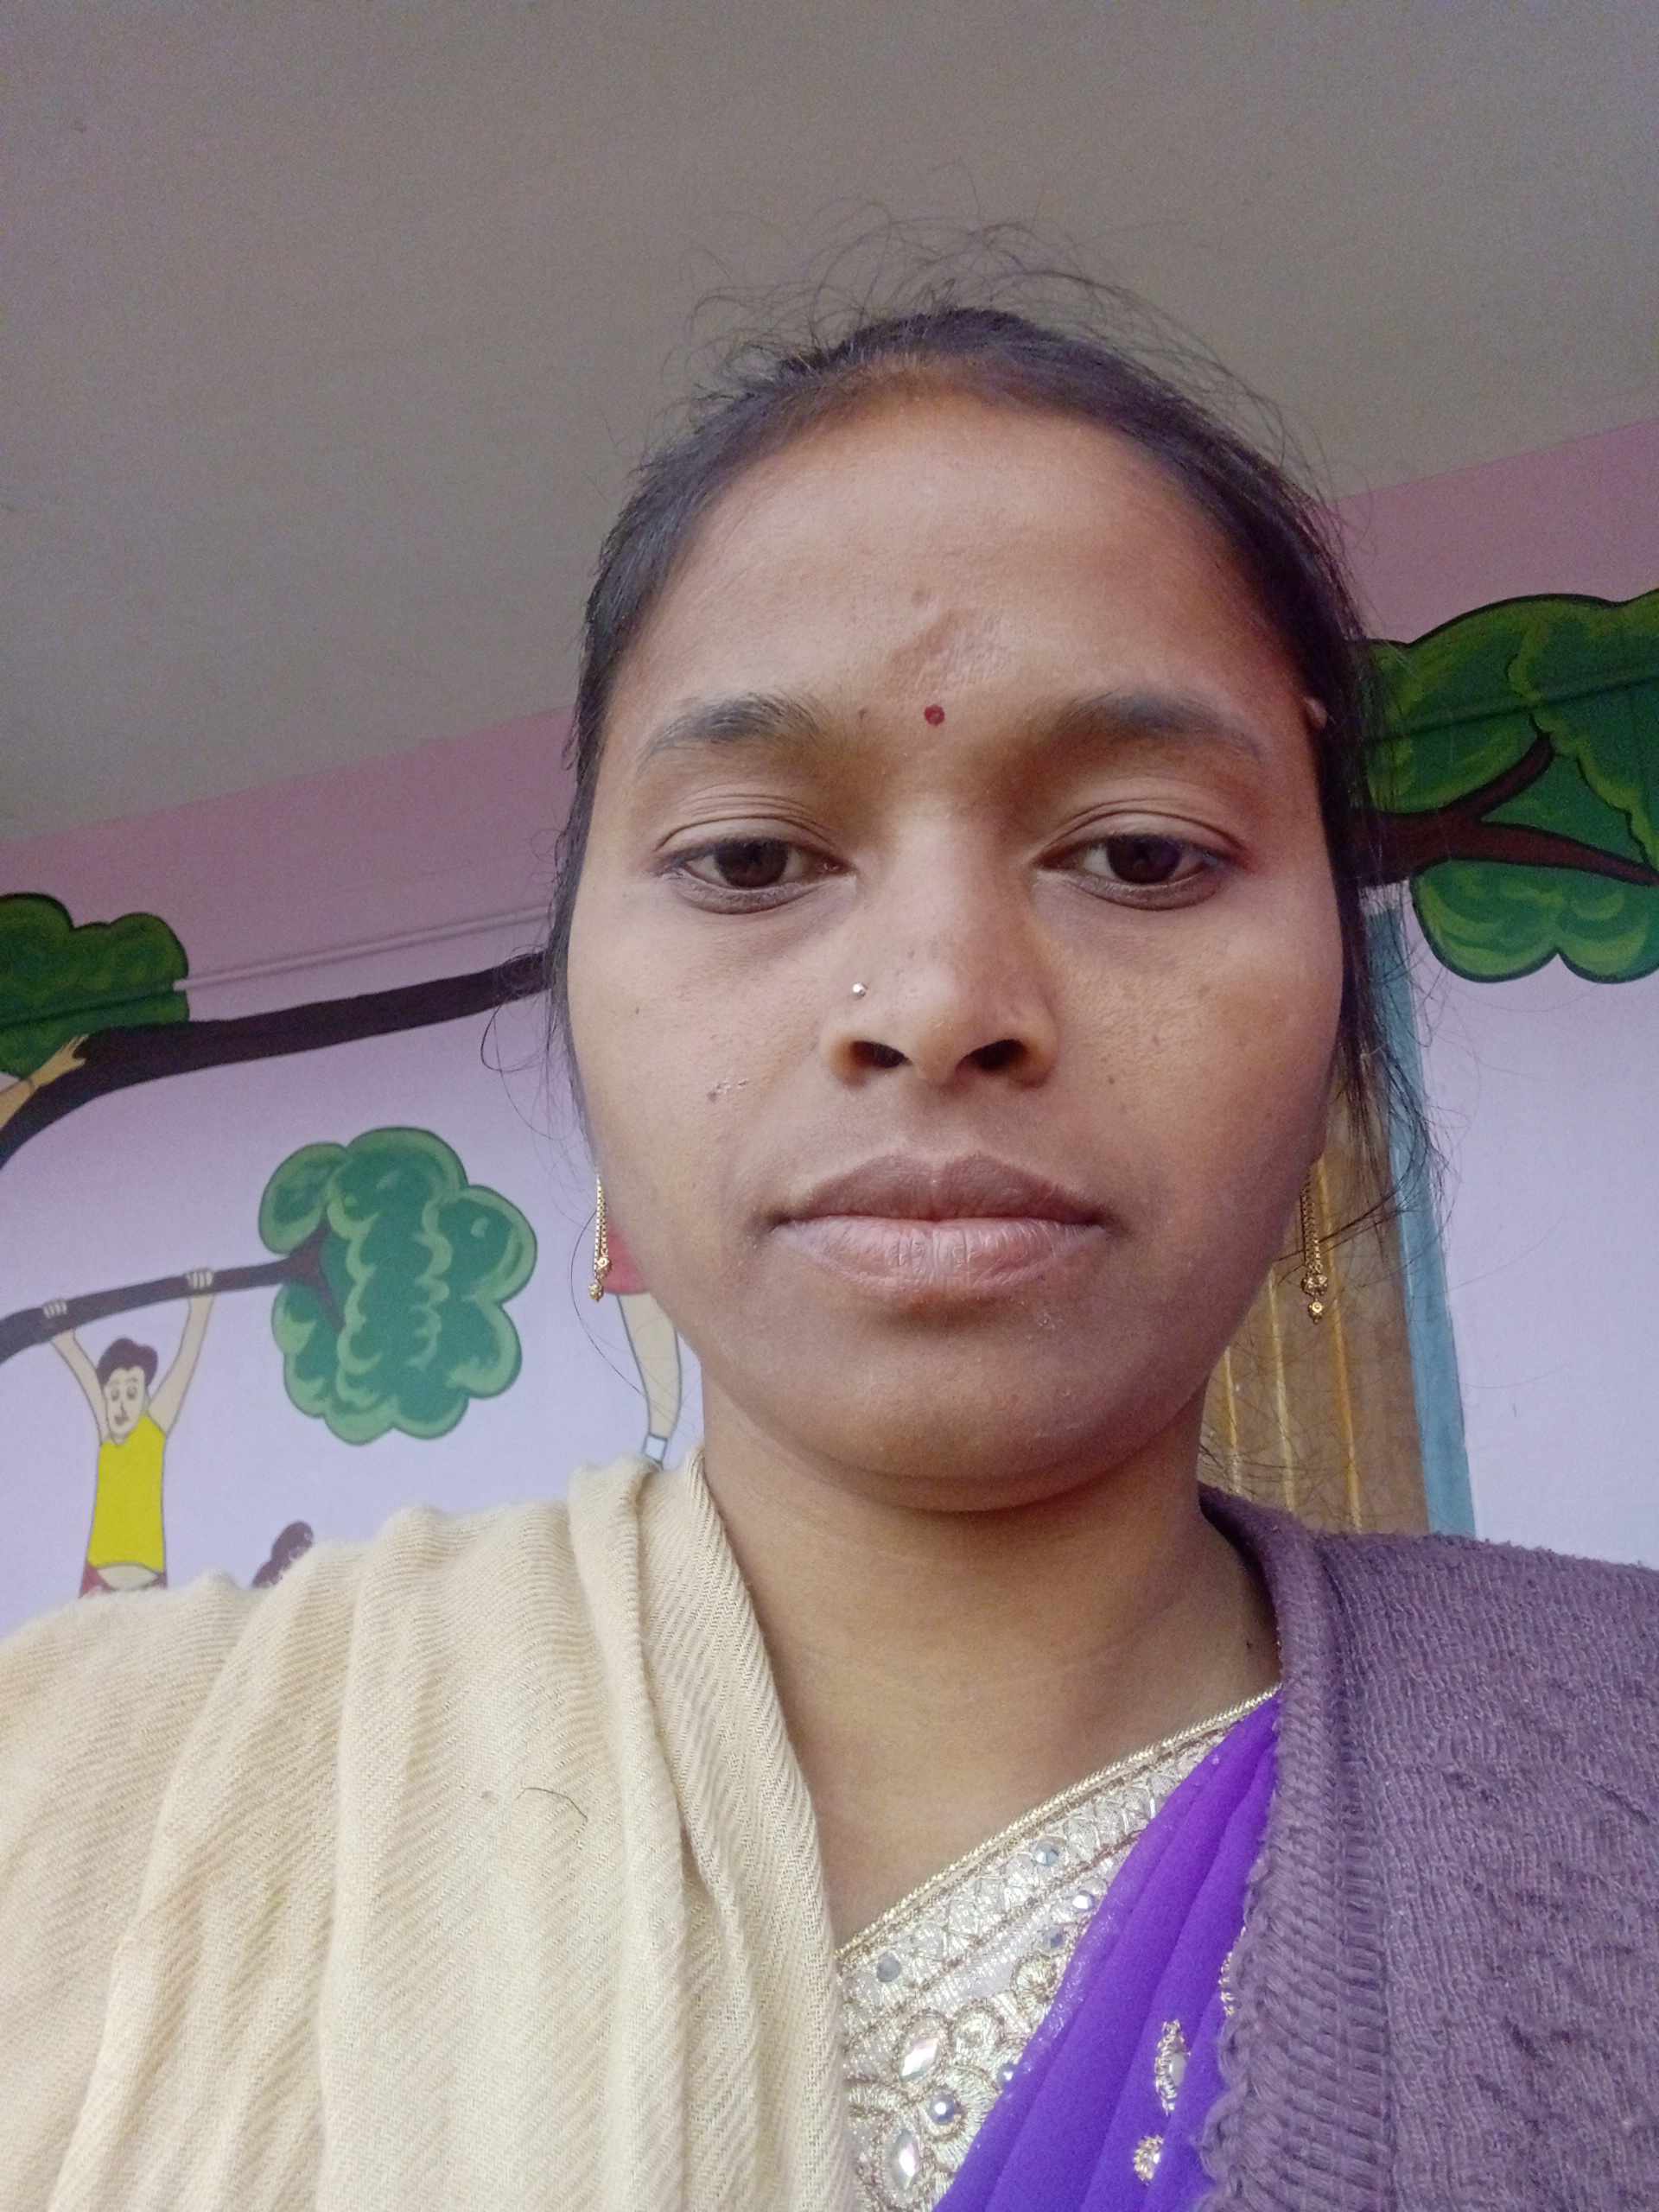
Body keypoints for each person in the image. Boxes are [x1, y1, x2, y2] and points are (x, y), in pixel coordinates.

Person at [3, 257, 1656, 2211]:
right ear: (579, 1002)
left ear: (1339, 1039)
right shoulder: (83, 1794)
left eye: (1140, 852)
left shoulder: (1609, 1769)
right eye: (750, 858)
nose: (939, 1000)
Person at [42, 1273, 217, 1596]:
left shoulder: (153, 1430)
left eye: (132, 1393)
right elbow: (84, 1372)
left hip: (147, 1583)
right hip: (97, 1582)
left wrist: (200, 1308)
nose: (121, 1404)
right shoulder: (107, 1436)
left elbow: (183, 1365)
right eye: (114, 1394)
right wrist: (63, 1335)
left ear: (147, 1399)